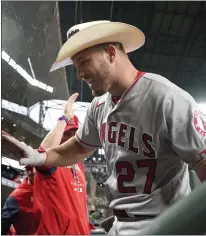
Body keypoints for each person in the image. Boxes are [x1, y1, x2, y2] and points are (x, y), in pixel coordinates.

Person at [2, 20, 206, 234]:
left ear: (110, 53)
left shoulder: (167, 98)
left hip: (164, 224)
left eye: (83, 61)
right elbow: (80, 147)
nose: (79, 74)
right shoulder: (98, 106)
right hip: (120, 224)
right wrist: (40, 157)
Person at [2, 95, 91, 235]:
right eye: (68, 133)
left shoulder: (78, 164)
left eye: (75, 133)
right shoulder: (54, 161)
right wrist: (65, 118)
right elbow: (44, 153)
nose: (72, 137)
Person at [1, 166, 41, 235]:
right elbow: (3, 227)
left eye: (37, 167)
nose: (33, 171)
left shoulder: (47, 189)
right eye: (30, 167)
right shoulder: (16, 197)